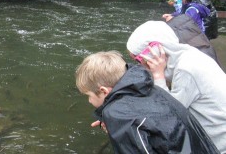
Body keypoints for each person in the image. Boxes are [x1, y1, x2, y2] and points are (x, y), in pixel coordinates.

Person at [75, 50, 219, 153]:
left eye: (89, 95)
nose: (89, 100)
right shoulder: (148, 88)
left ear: (104, 91)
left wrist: (117, 123)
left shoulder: (119, 115)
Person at [126, 21, 226, 153]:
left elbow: (167, 115)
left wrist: (158, 76)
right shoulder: (189, 54)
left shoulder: (186, 69)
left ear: (155, 52)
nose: (139, 65)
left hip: (217, 144)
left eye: (138, 60)